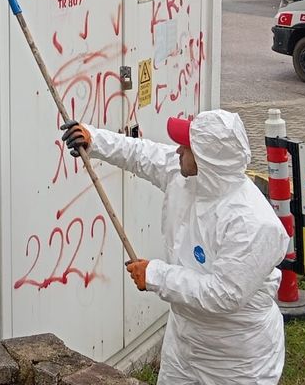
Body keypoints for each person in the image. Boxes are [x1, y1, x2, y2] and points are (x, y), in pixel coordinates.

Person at [61, 110, 288, 385]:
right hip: (184, 343)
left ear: (206, 158)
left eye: (186, 146)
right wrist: (93, 139)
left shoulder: (253, 224)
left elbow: (224, 295)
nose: (178, 149)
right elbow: (141, 154)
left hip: (237, 360)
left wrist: (155, 275)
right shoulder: (187, 175)